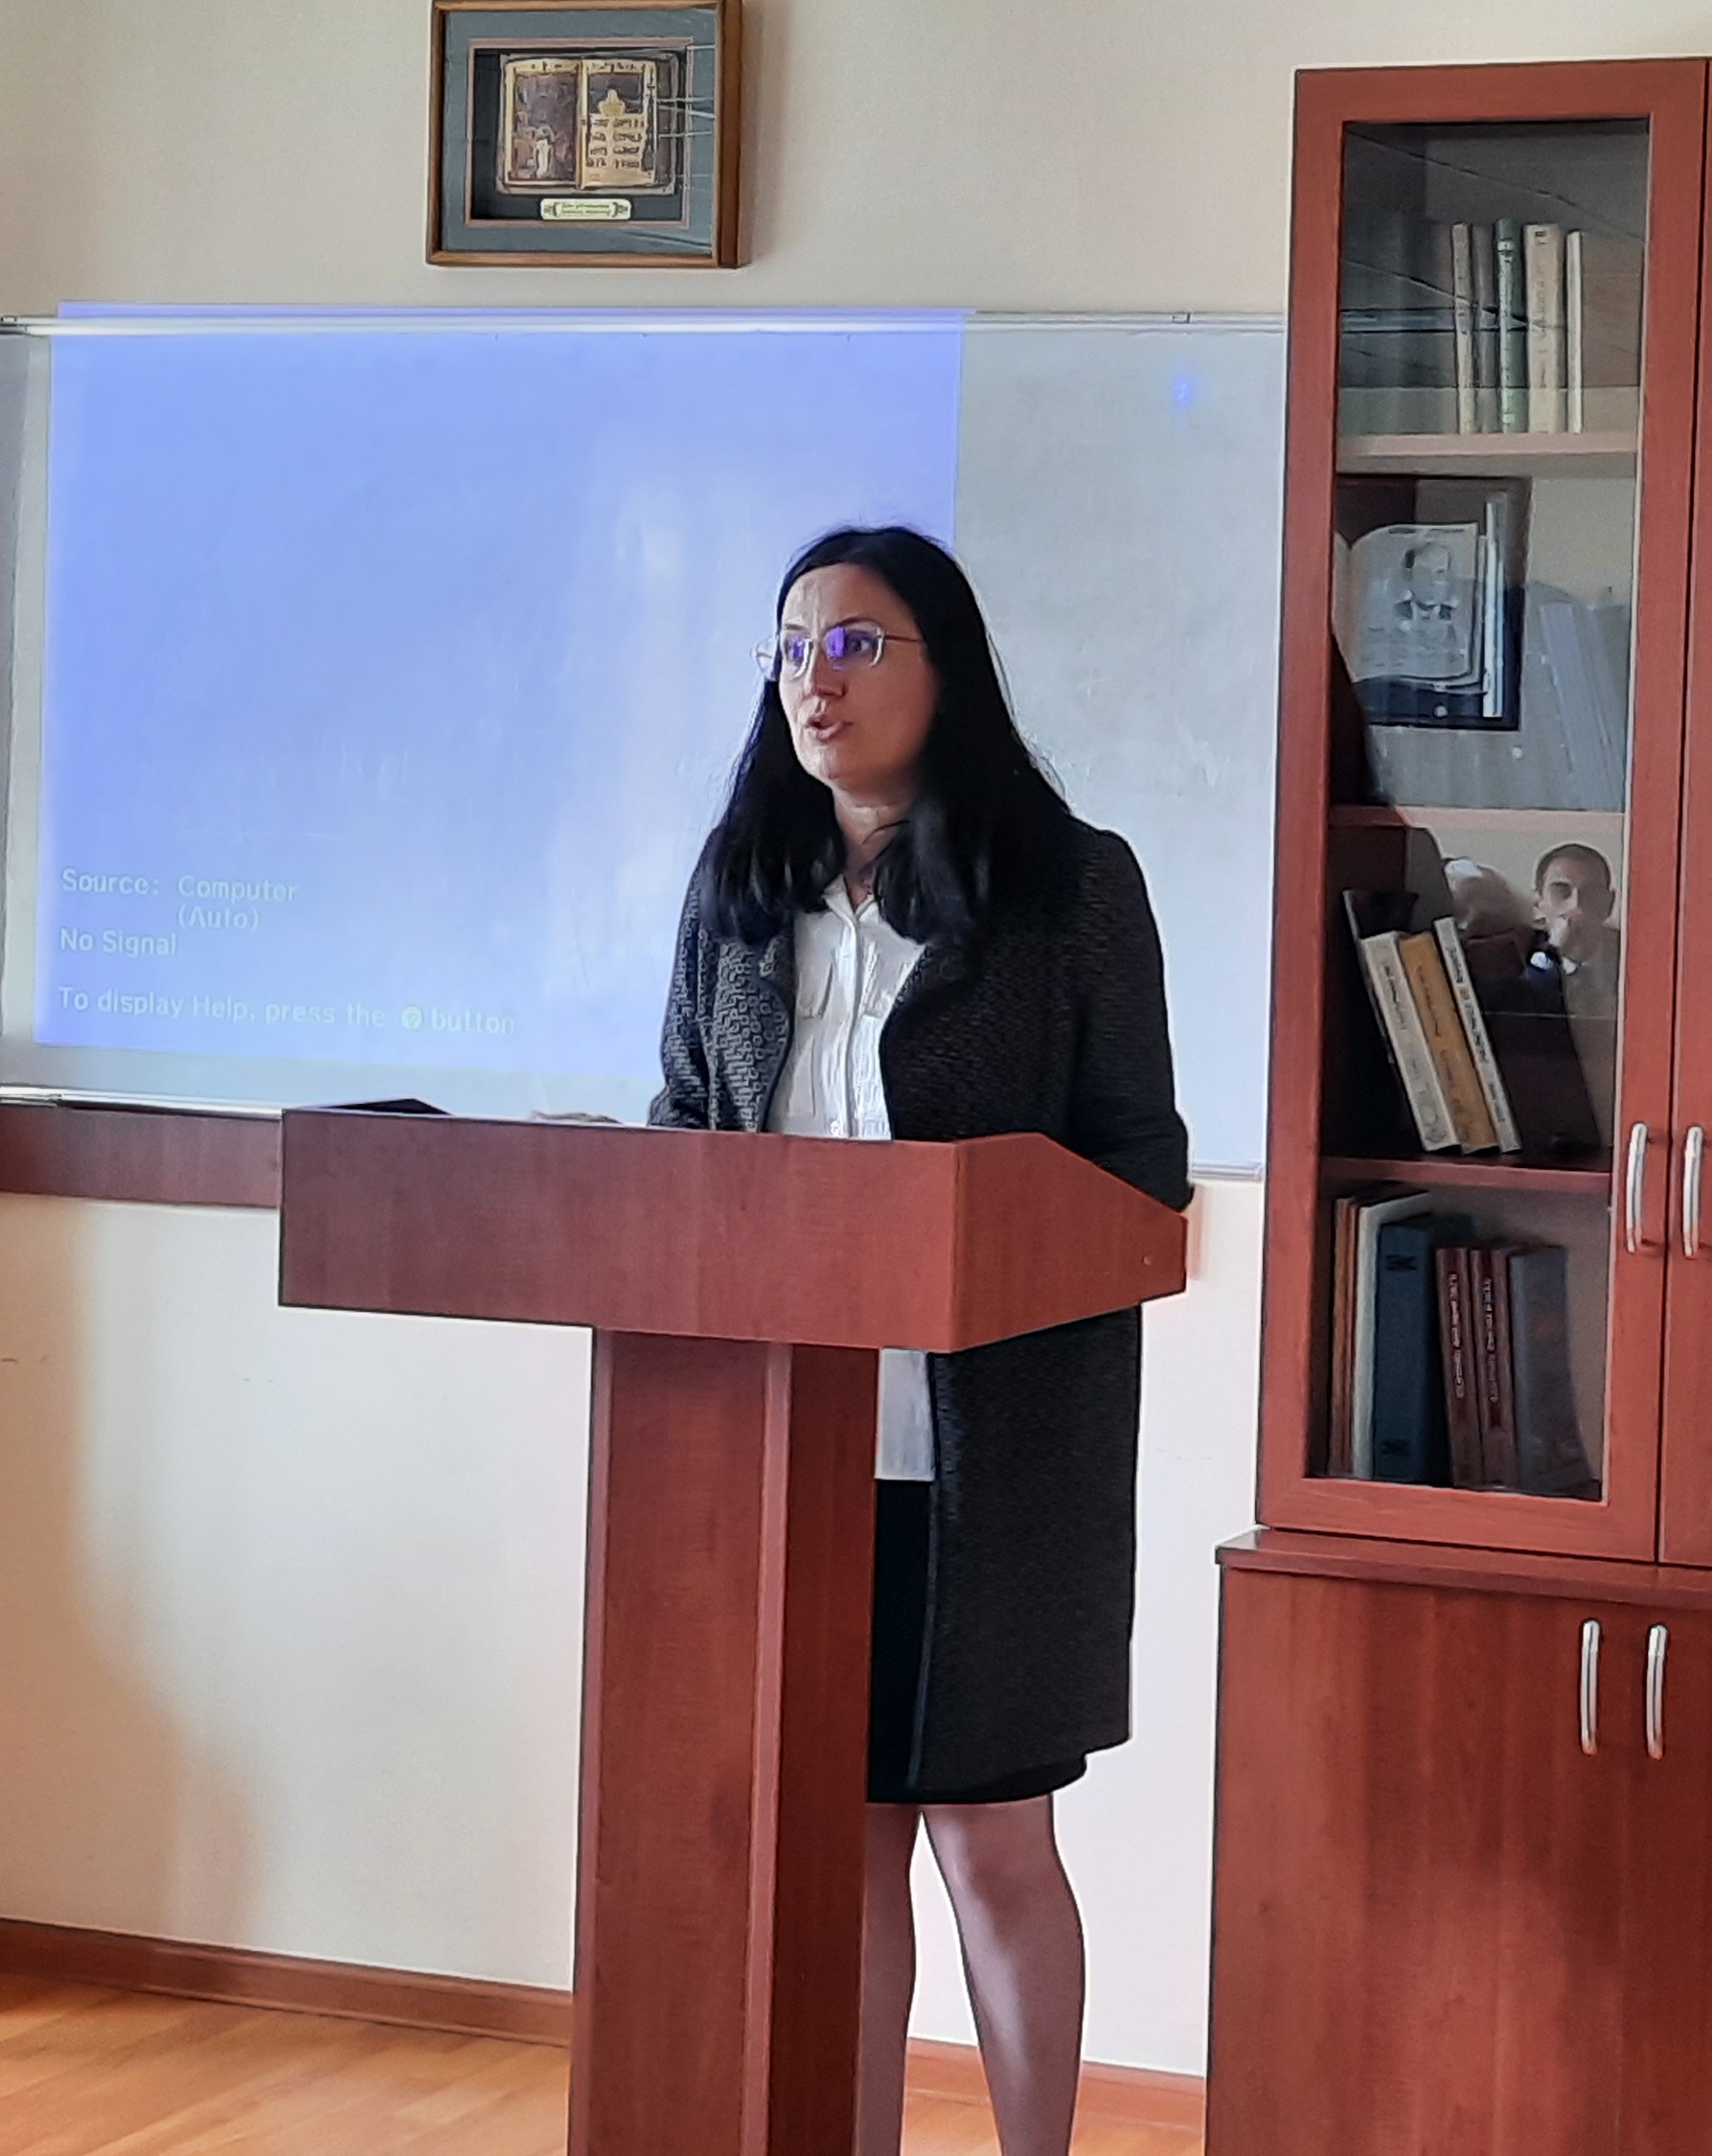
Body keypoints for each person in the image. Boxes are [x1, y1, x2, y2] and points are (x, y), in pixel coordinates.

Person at [651, 525, 1186, 2156]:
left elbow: (1138, 1177)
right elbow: (682, 1125)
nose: (815, 679)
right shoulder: (740, 888)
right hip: (786, 1446)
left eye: (856, 643)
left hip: (993, 1455)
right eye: (791, 647)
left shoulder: (1070, 886)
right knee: (843, 1842)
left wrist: (977, 1227)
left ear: (944, 668)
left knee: (990, 1839)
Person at [1520, 840, 1622, 1010]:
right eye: (1561, 891)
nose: (1576, 906)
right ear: (1537, 903)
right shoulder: (1518, 958)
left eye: (1591, 893)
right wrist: (1553, 950)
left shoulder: (1631, 957)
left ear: (1609, 903)